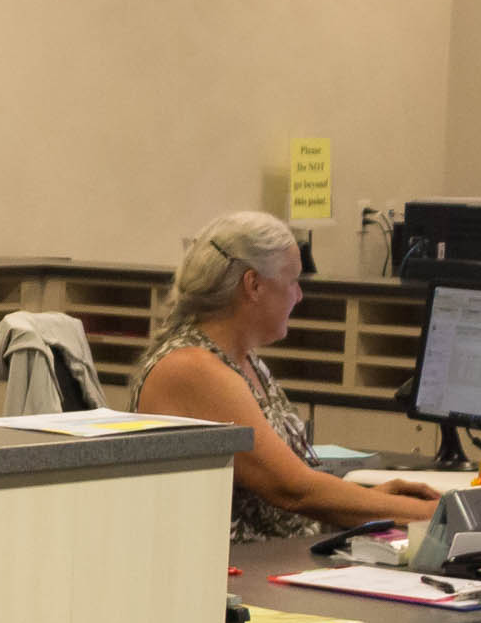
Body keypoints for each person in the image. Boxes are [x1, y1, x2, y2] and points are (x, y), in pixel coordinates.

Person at [132, 211, 442, 540]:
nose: (299, 295)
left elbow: (288, 490)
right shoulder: (193, 369)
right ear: (253, 285)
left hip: (271, 559)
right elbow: (293, 490)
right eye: (292, 281)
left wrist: (373, 501)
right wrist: (435, 514)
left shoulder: (241, 361)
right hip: (235, 575)